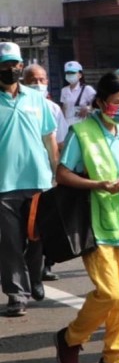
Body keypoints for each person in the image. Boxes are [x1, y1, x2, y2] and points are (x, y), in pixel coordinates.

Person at [53, 72, 119, 363]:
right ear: (101, 102)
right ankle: (70, 338)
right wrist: (98, 185)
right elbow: (62, 174)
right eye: (118, 102)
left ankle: (114, 359)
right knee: (110, 292)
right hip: (95, 223)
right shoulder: (82, 133)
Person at [0, 42, 58, 317]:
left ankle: (34, 277)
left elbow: (49, 139)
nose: (10, 69)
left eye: (14, 64)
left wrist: (57, 172)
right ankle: (16, 293)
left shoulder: (37, 100)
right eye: (4, 65)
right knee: (9, 242)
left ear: (21, 66)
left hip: (39, 181)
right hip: (4, 185)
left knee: (37, 238)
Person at [23, 63, 68, 283]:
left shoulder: (52, 108)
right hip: (21, 175)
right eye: (33, 80)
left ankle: (45, 267)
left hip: (47, 174)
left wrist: (58, 171)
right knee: (25, 228)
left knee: (46, 224)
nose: (38, 84)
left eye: (41, 80)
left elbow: (59, 143)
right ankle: (29, 269)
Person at [60, 61, 96, 126]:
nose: (70, 75)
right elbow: (64, 108)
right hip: (68, 125)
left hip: (83, 125)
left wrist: (88, 108)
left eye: (72, 73)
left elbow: (97, 103)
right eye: (68, 73)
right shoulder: (64, 90)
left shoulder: (87, 89)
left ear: (80, 75)